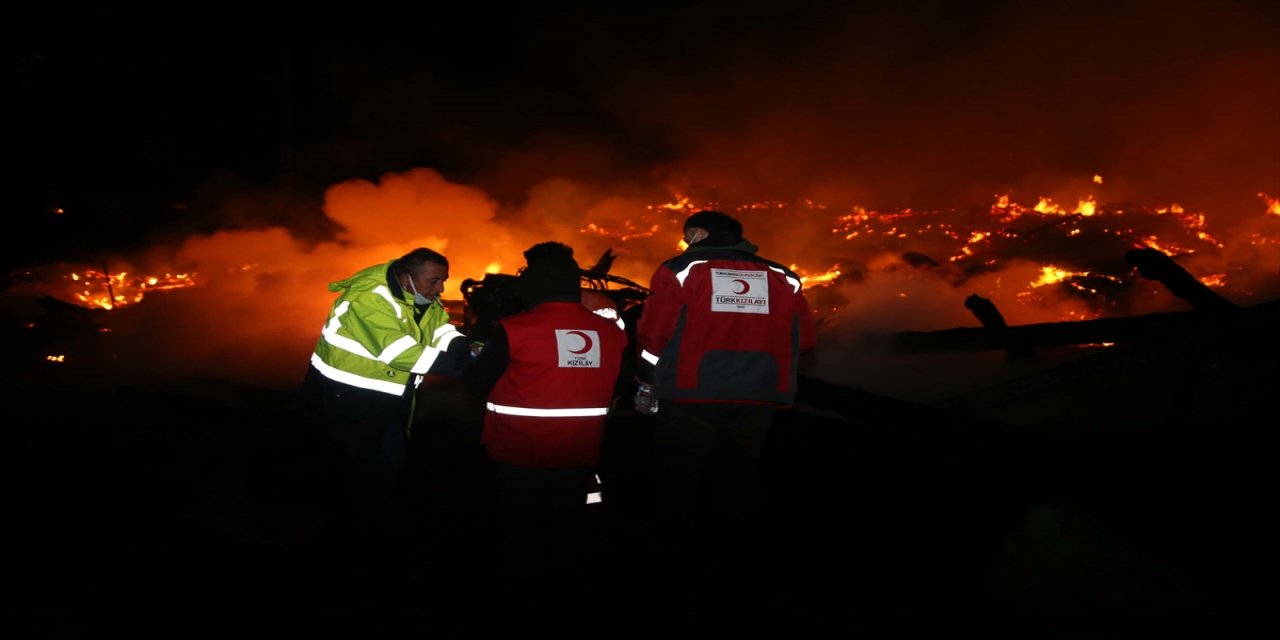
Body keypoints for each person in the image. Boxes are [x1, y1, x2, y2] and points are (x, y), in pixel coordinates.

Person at [634, 209, 818, 578]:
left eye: (688, 235)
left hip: (691, 392)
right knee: (736, 482)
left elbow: (655, 333)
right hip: (760, 396)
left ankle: (671, 566)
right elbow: (806, 338)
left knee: (678, 482)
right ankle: (732, 565)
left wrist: (648, 379)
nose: (686, 242)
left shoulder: (679, 269)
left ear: (701, 233)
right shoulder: (784, 276)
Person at [465, 242, 627, 596]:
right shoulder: (611, 332)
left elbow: (479, 382)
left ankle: (521, 587)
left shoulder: (514, 328)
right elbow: (618, 383)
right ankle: (565, 582)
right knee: (567, 518)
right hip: (580, 445)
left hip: (519, 445)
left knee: (519, 520)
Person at [299, 247, 475, 558]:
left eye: (443, 281)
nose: (440, 289)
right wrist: (472, 367)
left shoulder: (417, 295)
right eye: (434, 281)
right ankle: (344, 539)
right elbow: (403, 353)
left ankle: (364, 528)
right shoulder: (369, 298)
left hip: (387, 396)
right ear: (406, 278)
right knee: (359, 466)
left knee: (387, 463)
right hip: (348, 397)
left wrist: (463, 345)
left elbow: (438, 329)